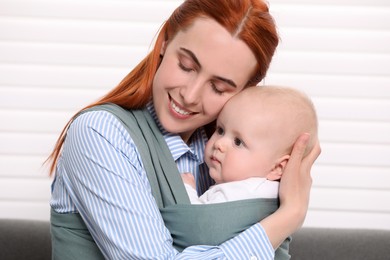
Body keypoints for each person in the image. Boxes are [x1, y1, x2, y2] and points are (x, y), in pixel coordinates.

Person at [47, 0, 321, 259]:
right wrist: (289, 216)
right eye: (186, 66)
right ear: (165, 41)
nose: (190, 95)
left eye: (218, 88)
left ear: (244, 91)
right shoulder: (101, 134)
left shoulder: (233, 157)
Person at [182, 86, 318, 205]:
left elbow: (197, 225)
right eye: (220, 130)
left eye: (238, 142)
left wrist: (186, 189)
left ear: (277, 168)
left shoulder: (237, 194)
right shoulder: (269, 194)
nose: (219, 143)